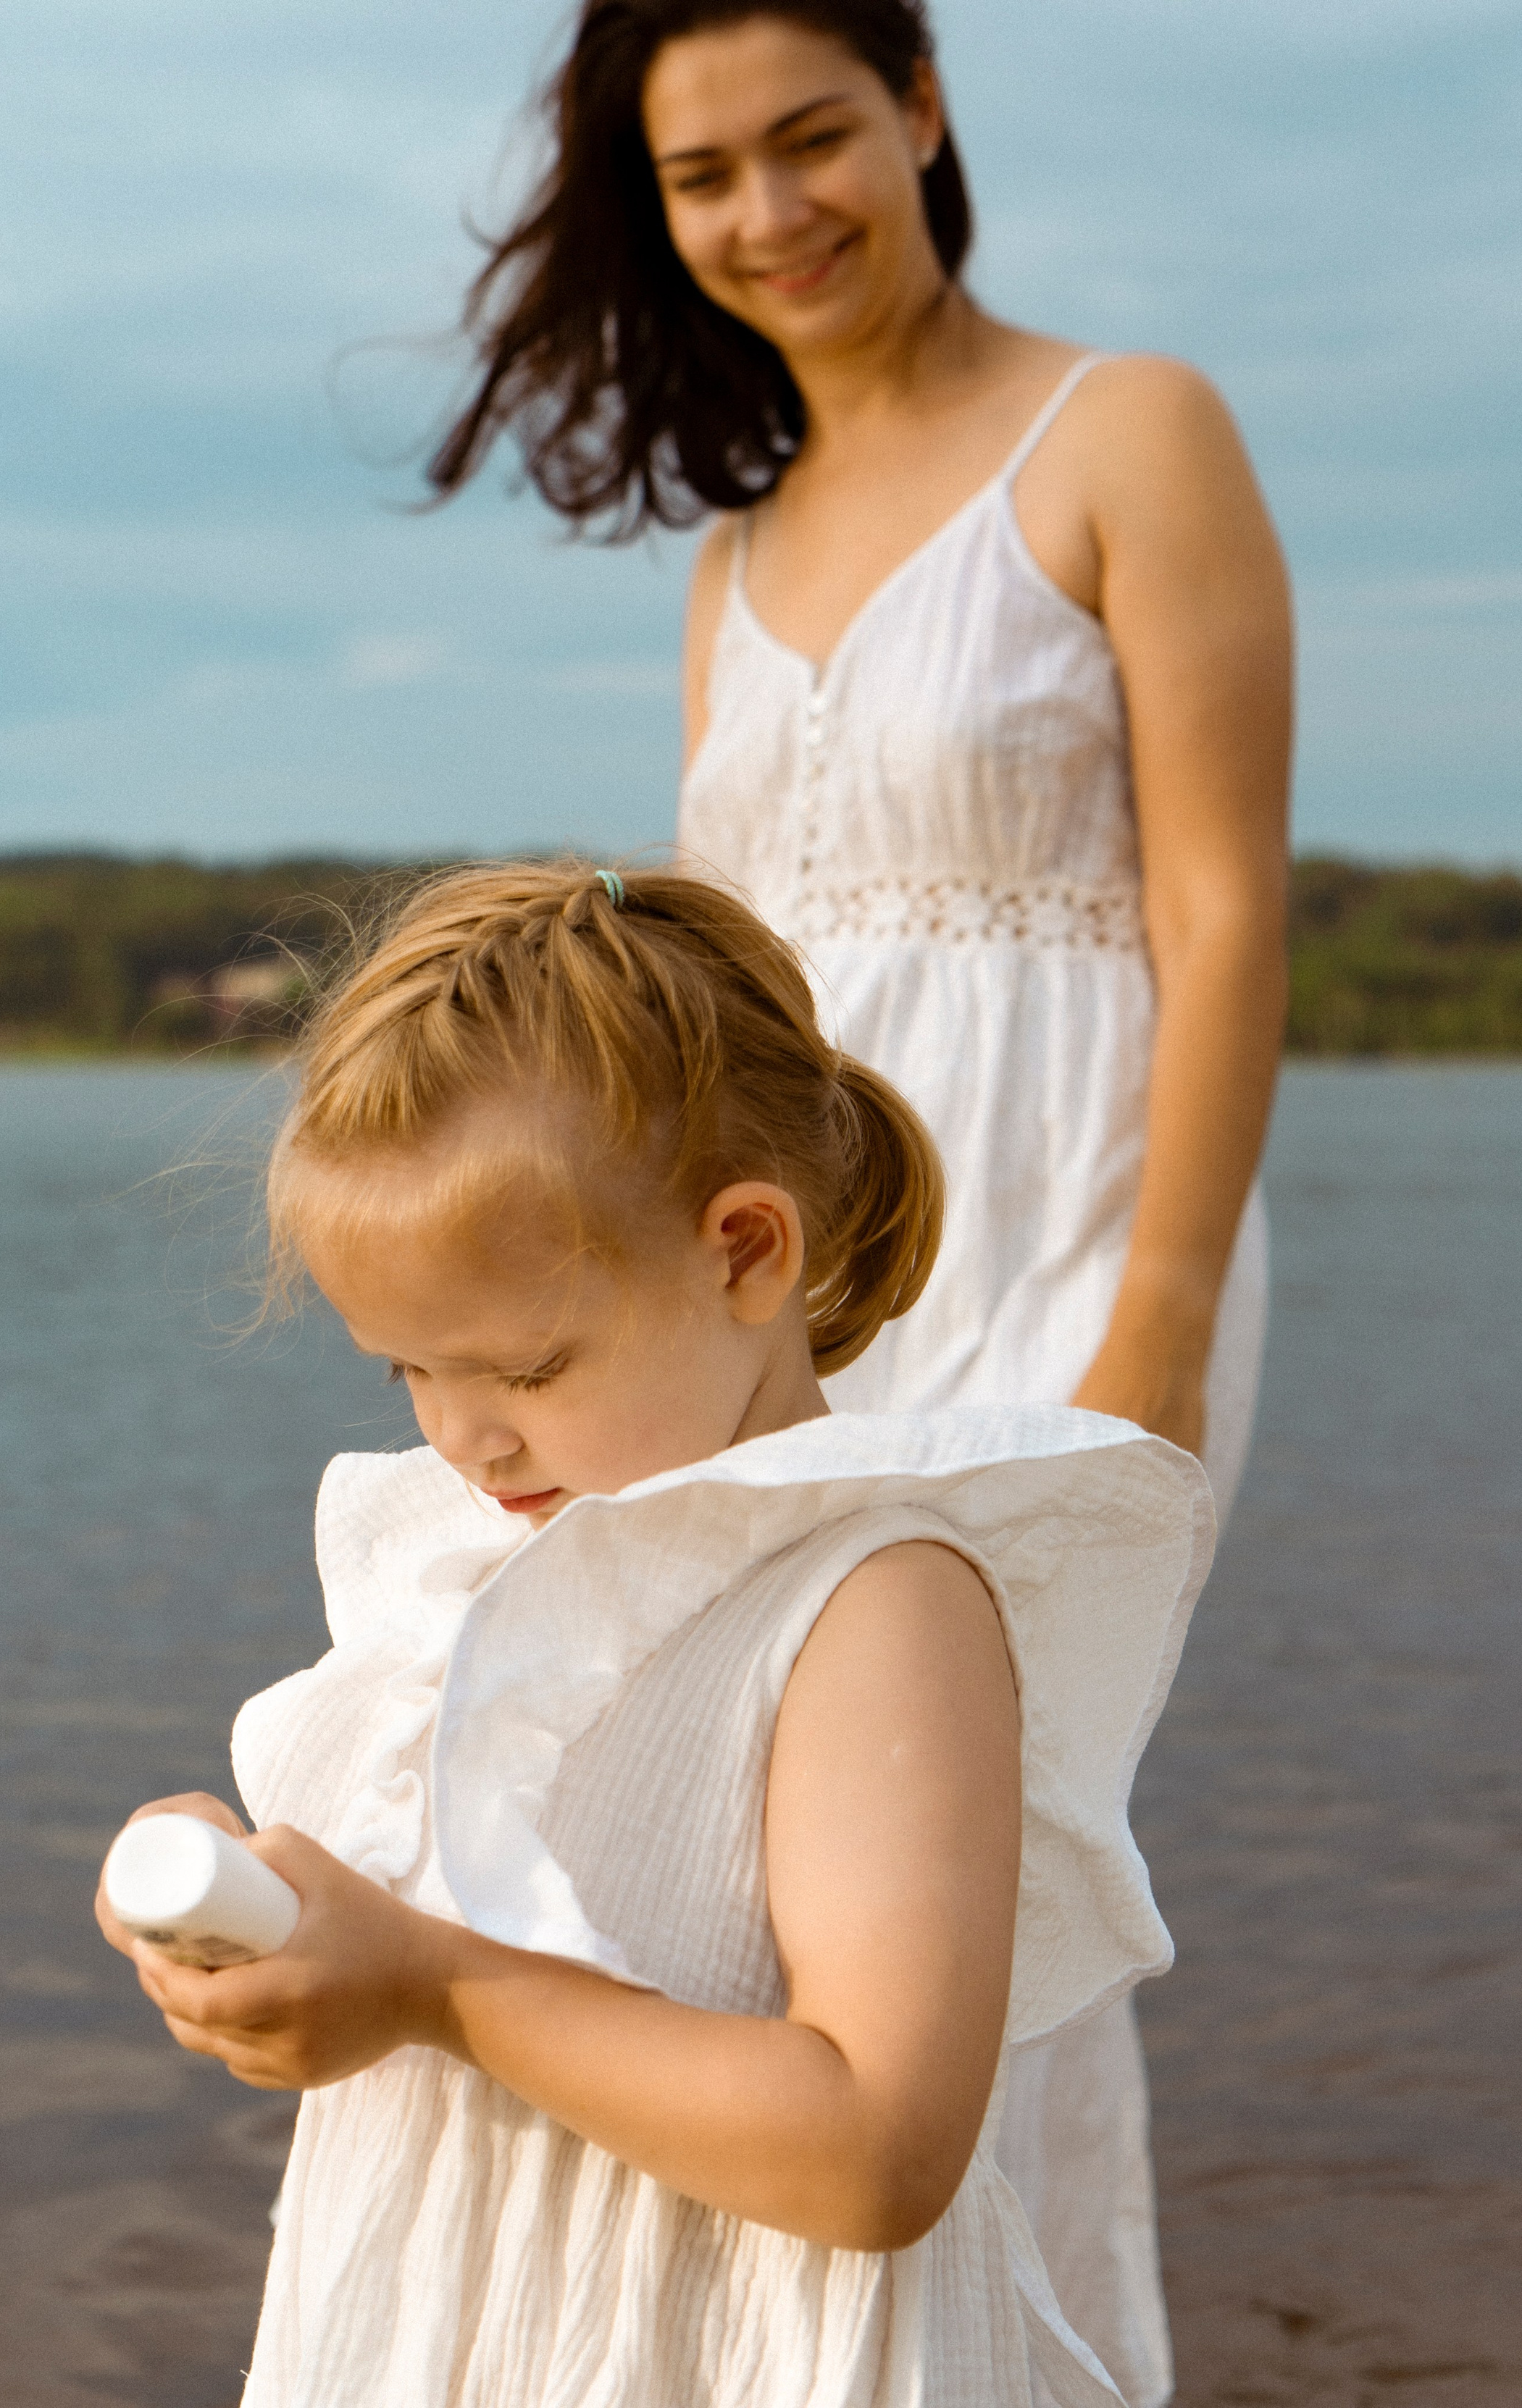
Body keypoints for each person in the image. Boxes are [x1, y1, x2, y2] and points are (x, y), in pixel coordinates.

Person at [427, 9, 1293, 2397]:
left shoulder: (1129, 431)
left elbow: (1223, 916)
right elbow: (716, 1016)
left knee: (1003, 1858)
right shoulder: (737, 555)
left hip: (1083, 1230)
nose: (770, 209)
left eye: (814, 136)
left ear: (924, 107)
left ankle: (1057, 2362)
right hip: (790, 1264)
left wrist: (1156, 1323)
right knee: (783, 1853)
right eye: (705, 175)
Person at [99, 862, 1214, 2407]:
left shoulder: (868, 1603)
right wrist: (241, 1896)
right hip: (451, 2328)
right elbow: (408, 1896)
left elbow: (876, 2148)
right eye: (405, 1376)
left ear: (745, 1251)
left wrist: (435, 1989)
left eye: (524, 1365)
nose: (465, 1441)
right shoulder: (489, 1547)